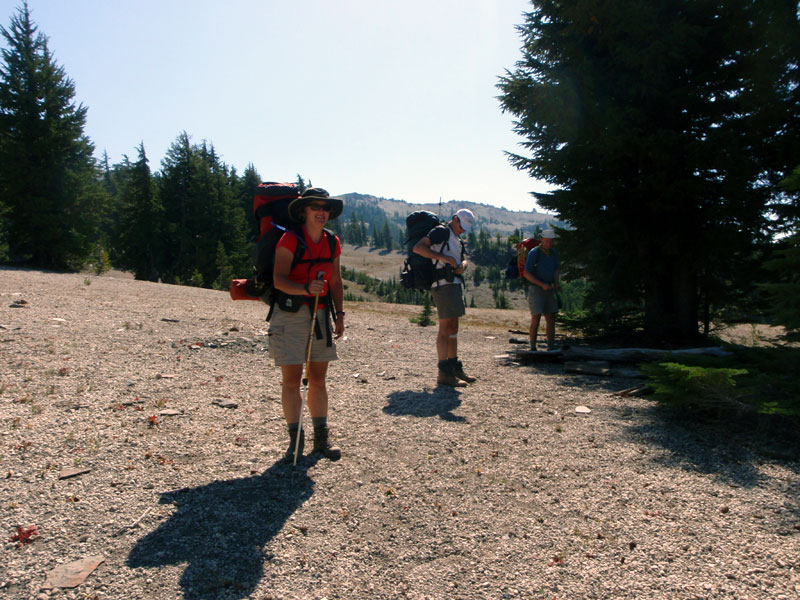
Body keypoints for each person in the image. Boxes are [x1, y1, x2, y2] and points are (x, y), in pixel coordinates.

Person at [270, 188, 346, 463]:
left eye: (325, 207)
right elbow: (278, 280)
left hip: (322, 314)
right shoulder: (289, 239)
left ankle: (320, 439)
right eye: (315, 207)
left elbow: (335, 281)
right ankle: (296, 441)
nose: (321, 212)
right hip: (290, 315)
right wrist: (305, 288)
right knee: (291, 381)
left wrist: (340, 314)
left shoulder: (332, 242)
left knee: (318, 379)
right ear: (304, 211)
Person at [413, 208, 477, 387]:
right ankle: (444, 372)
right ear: (455, 219)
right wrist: (444, 258)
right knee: (445, 327)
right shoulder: (441, 231)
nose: (463, 230)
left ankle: (453, 366)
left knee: (453, 326)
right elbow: (418, 248)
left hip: (454, 283)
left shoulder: (457, 237)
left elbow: (463, 258)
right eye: (462, 226)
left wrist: (462, 265)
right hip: (442, 284)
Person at [523, 229, 561, 350]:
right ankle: (533, 347)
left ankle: (551, 346)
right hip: (536, 289)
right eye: (546, 241)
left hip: (549, 288)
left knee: (551, 318)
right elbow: (526, 273)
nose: (548, 244)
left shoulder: (553, 253)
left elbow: (556, 270)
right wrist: (541, 284)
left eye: (551, 242)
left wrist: (556, 283)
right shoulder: (534, 253)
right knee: (536, 318)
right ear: (542, 240)